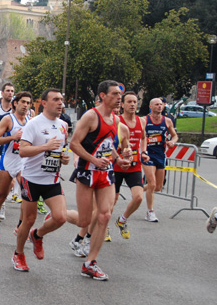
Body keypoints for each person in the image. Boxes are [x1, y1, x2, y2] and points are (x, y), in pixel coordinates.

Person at [70, 80, 130, 280]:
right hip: (87, 170)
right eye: (114, 94)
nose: (119, 97)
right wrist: (94, 159)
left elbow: (108, 143)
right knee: (85, 220)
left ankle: (90, 262)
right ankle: (58, 216)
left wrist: (118, 159)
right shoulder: (91, 116)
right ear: (103, 96)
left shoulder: (115, 119)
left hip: (106, 172)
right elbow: (74, 144)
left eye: (120, 94)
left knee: (104, 215)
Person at [12, 88, 71, 273]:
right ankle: (18, 254)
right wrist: (45, 146)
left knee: (61, 217)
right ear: (44, 103)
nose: (60, 103)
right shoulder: (34, 124)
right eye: (56, 99)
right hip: (32, 178)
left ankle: (37, 235)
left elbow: (60, 150)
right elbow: (22, 151)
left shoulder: (63, 125)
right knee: (28, 219)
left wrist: (64, 158)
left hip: (51, 178)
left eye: (61, 99)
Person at [0, 91, 32, 240]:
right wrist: (13, 137)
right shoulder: (8, 119)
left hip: (23, 164)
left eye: (28, 103)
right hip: (7, 163)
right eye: (23, 102)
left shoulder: (31, 122)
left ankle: (20, 225)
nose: (25, 105)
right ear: (15, 103)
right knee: (1, 197)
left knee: (27, 196)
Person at [114, 91, 149, 238]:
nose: (133, 104)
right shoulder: (117, 120)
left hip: (134, 165)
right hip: (116, 165)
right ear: (122, 104)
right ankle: (104, 227)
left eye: (135, 102)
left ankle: (122, 220)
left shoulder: (141, 121)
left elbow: (143, 138)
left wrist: (143, 151)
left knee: (139, 197)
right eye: (129, 102)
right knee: (111, 200)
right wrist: (119, 154)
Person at [142, 98, 178, 222]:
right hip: (147, 155)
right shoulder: (144, 120)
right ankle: (150, 212)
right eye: (156, 104)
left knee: (158, 187)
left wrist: (172, 142)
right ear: (150, 106)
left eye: (161, 105)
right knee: (152, 184)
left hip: (160, 155)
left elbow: (174, 135)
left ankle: (140, 188)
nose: (159, 106)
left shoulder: (167, 121)